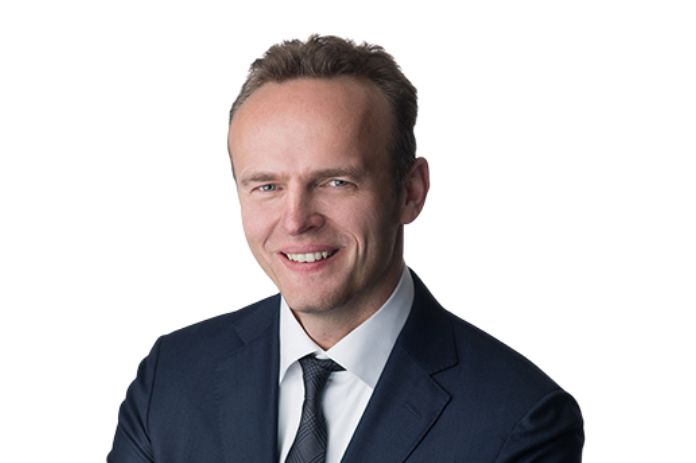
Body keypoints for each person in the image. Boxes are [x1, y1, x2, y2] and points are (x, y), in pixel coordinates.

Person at [108, 35, 584, 462]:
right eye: (267, 186)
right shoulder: (171, 378)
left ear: (410, 192)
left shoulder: (518, 419)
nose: (296, 220)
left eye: (336, 182)